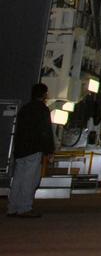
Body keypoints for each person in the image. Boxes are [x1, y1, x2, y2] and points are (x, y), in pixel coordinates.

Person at [8, 83, 56, 218]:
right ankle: (25, 207)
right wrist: (49, 150)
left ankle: (12, 207)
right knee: (30, 179)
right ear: (44, 95)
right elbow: (45, 131)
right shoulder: (42, 110)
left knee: (18, 178)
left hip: (20, 149)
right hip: (34, 149)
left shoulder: (24, 109)